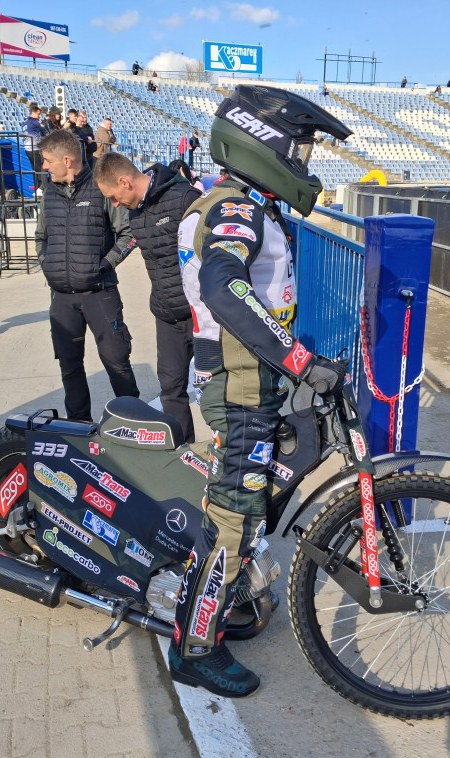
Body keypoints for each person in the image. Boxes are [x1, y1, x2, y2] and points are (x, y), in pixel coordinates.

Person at [170, 84, 350, 697]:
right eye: (296, 150)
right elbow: (225, 288)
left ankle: (228, 600)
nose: (302, 163)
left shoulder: (234, 201)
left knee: (242, 511)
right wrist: (302, 361)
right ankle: (194, 649)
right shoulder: (237, 210)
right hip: (242, 386)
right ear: (262, 145)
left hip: (245, 382)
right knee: (232, 521)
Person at [95, 152, 201, 442]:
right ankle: (183, 453)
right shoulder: (135, 212)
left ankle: (229, 460)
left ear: (124, 181)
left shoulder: (184, 198)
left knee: (217, 392)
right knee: (171, 388)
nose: (114, 204)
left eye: (113, 196)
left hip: (201, 315)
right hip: (166, 316)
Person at [34, 129, 139, 421]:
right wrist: (49, 265)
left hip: (100, 293)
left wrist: (103, 265)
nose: (43, 166)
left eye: (46, 160)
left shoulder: (100, 187)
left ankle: (133, 420)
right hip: (62, 298)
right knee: (69, 366)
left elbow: (128, 234)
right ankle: (78, 425)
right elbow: (40, 236)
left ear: (67, 160)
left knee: (116, 362)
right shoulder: (49, 191)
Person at [22, 105, 47, 174]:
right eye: (38, 114)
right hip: (35, 148)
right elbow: (44, 128)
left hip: (28, 148)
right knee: (40, 170)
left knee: (35, 169)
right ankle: (41, 184)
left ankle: (37, 184)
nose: (39, 116)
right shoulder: (34, 121)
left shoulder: (25, 122)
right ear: (33, 112)